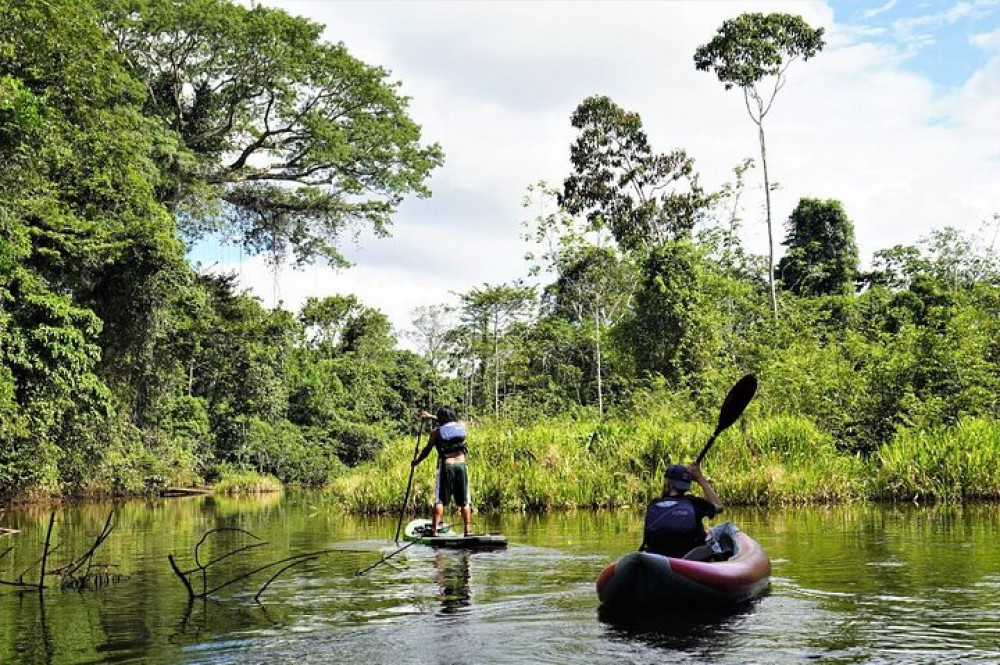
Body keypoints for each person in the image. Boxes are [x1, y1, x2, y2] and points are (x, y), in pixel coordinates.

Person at [640, 463, 724, 558]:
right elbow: (719, 506)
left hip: (656, 559)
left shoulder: (653, 504)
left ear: (668, 482)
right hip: (690, 559)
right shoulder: (695, 503)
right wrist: (700, 479)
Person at [412, 406, 473, 536]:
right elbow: (450, 422)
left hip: (447, 466)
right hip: (462, 465)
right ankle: (468, 531)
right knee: (464, 501)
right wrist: (431, 417)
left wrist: (416, 462)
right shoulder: (461, 426)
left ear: (440, 419)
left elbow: (427, 450)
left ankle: (434, 531)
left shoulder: (436, 432)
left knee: (440, 500)